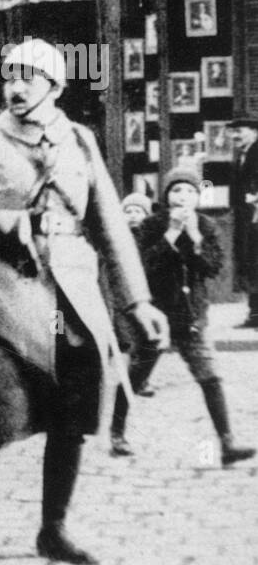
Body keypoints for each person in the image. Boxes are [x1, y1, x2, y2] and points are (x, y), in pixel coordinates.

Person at [0, 37, 168, 565]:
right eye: (9, 77)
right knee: (3, 408)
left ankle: (52, 529)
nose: (15, 87)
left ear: (55, 86)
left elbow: (109, 226)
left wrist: (138, 302)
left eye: (28, 78)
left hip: (73, 293)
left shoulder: (80, 141)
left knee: (74, 411)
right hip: (5, 291)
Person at [124, 166, 255, 466]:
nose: (183, 197)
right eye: (176, 190)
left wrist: (195, 236)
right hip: (158, 316)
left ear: (198, 196)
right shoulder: (152, 224)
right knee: (136, 376)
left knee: (210, 377)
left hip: (192, 317)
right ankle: (116, 432)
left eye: (190, 191)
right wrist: (170, 233)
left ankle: (227, 443)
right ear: (167, 195)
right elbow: (143, 266)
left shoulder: (207, 226)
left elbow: (213, 267)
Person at [109, 192, 156, 455]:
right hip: (121, 307)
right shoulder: (115, 240)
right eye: (128, 211)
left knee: (144, 358)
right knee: (126, 355)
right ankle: (117, 432)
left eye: (139, 211)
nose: (134, 216)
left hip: (150, 307)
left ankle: (139, 382)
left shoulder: (152, 239)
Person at [228, 116, 258, 327]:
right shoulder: (241, 155)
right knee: (250, 263)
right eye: (233, 131)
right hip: (244, 218)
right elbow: (211, 179)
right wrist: (205, 188)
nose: (235, 135)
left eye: (241, 130)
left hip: (255, 216)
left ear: (255, 132)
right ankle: (254, 313)